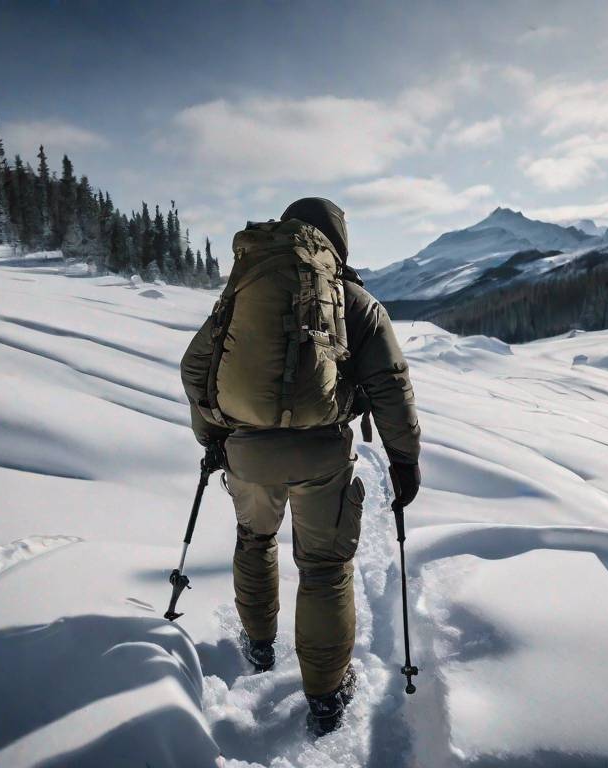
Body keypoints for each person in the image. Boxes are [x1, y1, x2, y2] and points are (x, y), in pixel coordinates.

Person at [180, 197, 421, 735]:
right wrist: (404, 459)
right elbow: (390, 384)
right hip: (321, 453)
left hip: (247, 450)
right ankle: (327, 694)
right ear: (337, 240)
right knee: (323, 569)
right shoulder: (354, 300)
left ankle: (260, 647)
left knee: (255, 541)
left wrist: (213, 435)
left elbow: (196, 367)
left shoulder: (243, 293)